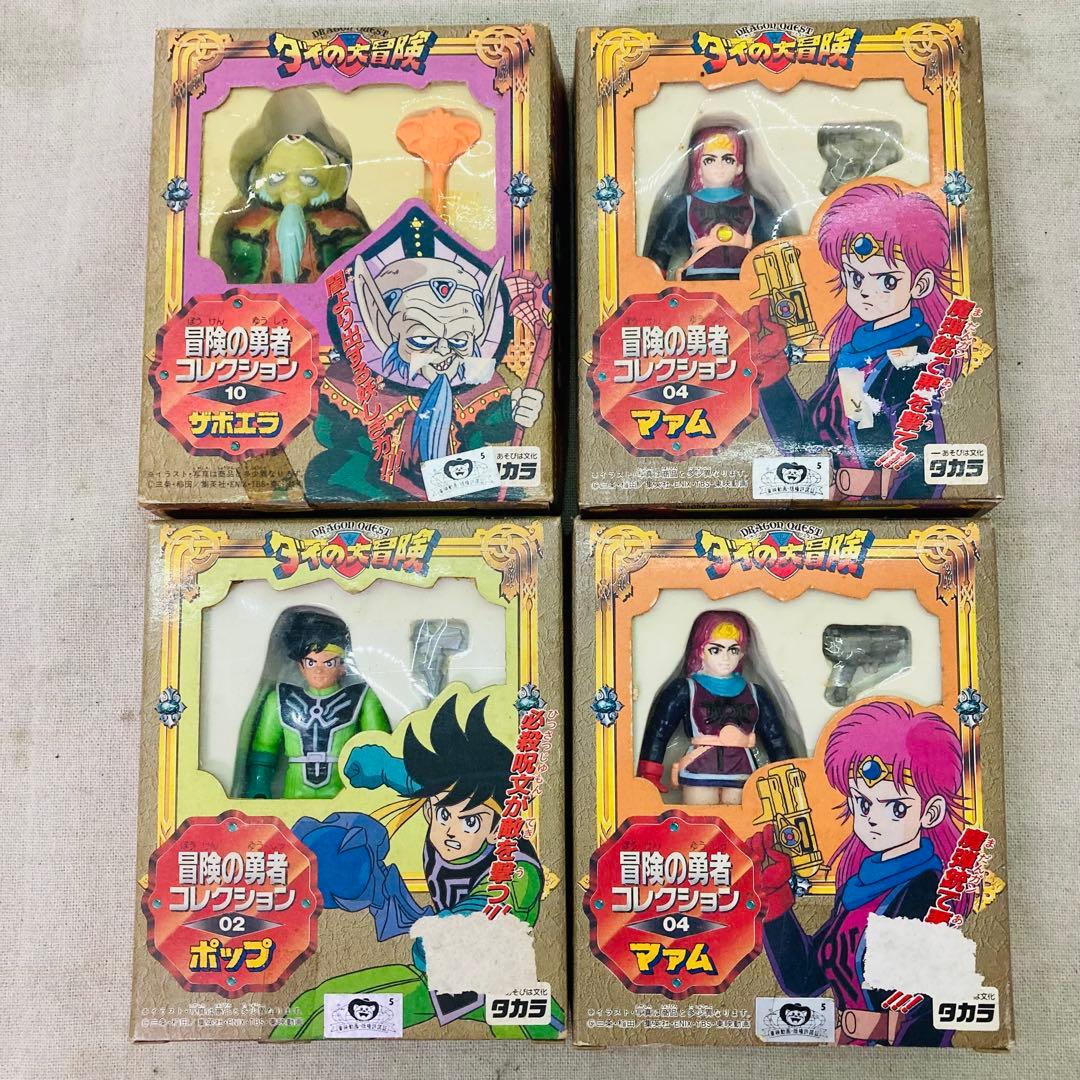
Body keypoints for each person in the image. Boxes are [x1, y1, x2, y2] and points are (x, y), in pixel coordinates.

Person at [748, 700, 971, 1046]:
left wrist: (884, 1042)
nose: (873, 819)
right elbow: (803, 978)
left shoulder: (925, 893)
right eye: (863, 803)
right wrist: (774, 898)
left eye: (896, 808)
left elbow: (930, 1011)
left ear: (930, 812)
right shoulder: (858, 889)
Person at [637, 611, 796, 805]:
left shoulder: (756, 693)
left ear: (742, 653)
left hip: (741, 770)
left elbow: (776, 738)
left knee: (739, 818)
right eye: (716, 650)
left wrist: (788, 774)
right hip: (699, 768)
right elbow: (660, 730)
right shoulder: (685, 689)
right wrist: (649, 772)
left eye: (733, 650)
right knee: (700, 818)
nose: (726, 658)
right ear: (700, 651)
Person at [242, 609, 390, 799]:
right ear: (301, 666)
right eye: (311, 663)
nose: (318, 671)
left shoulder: (361, 697)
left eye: (328, 663)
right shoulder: (280, 699)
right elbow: (264, 747)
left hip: (341, 791)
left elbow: (377, 745)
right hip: (295, 793)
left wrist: (377, 791)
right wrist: (258, 784)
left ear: (343, 666)